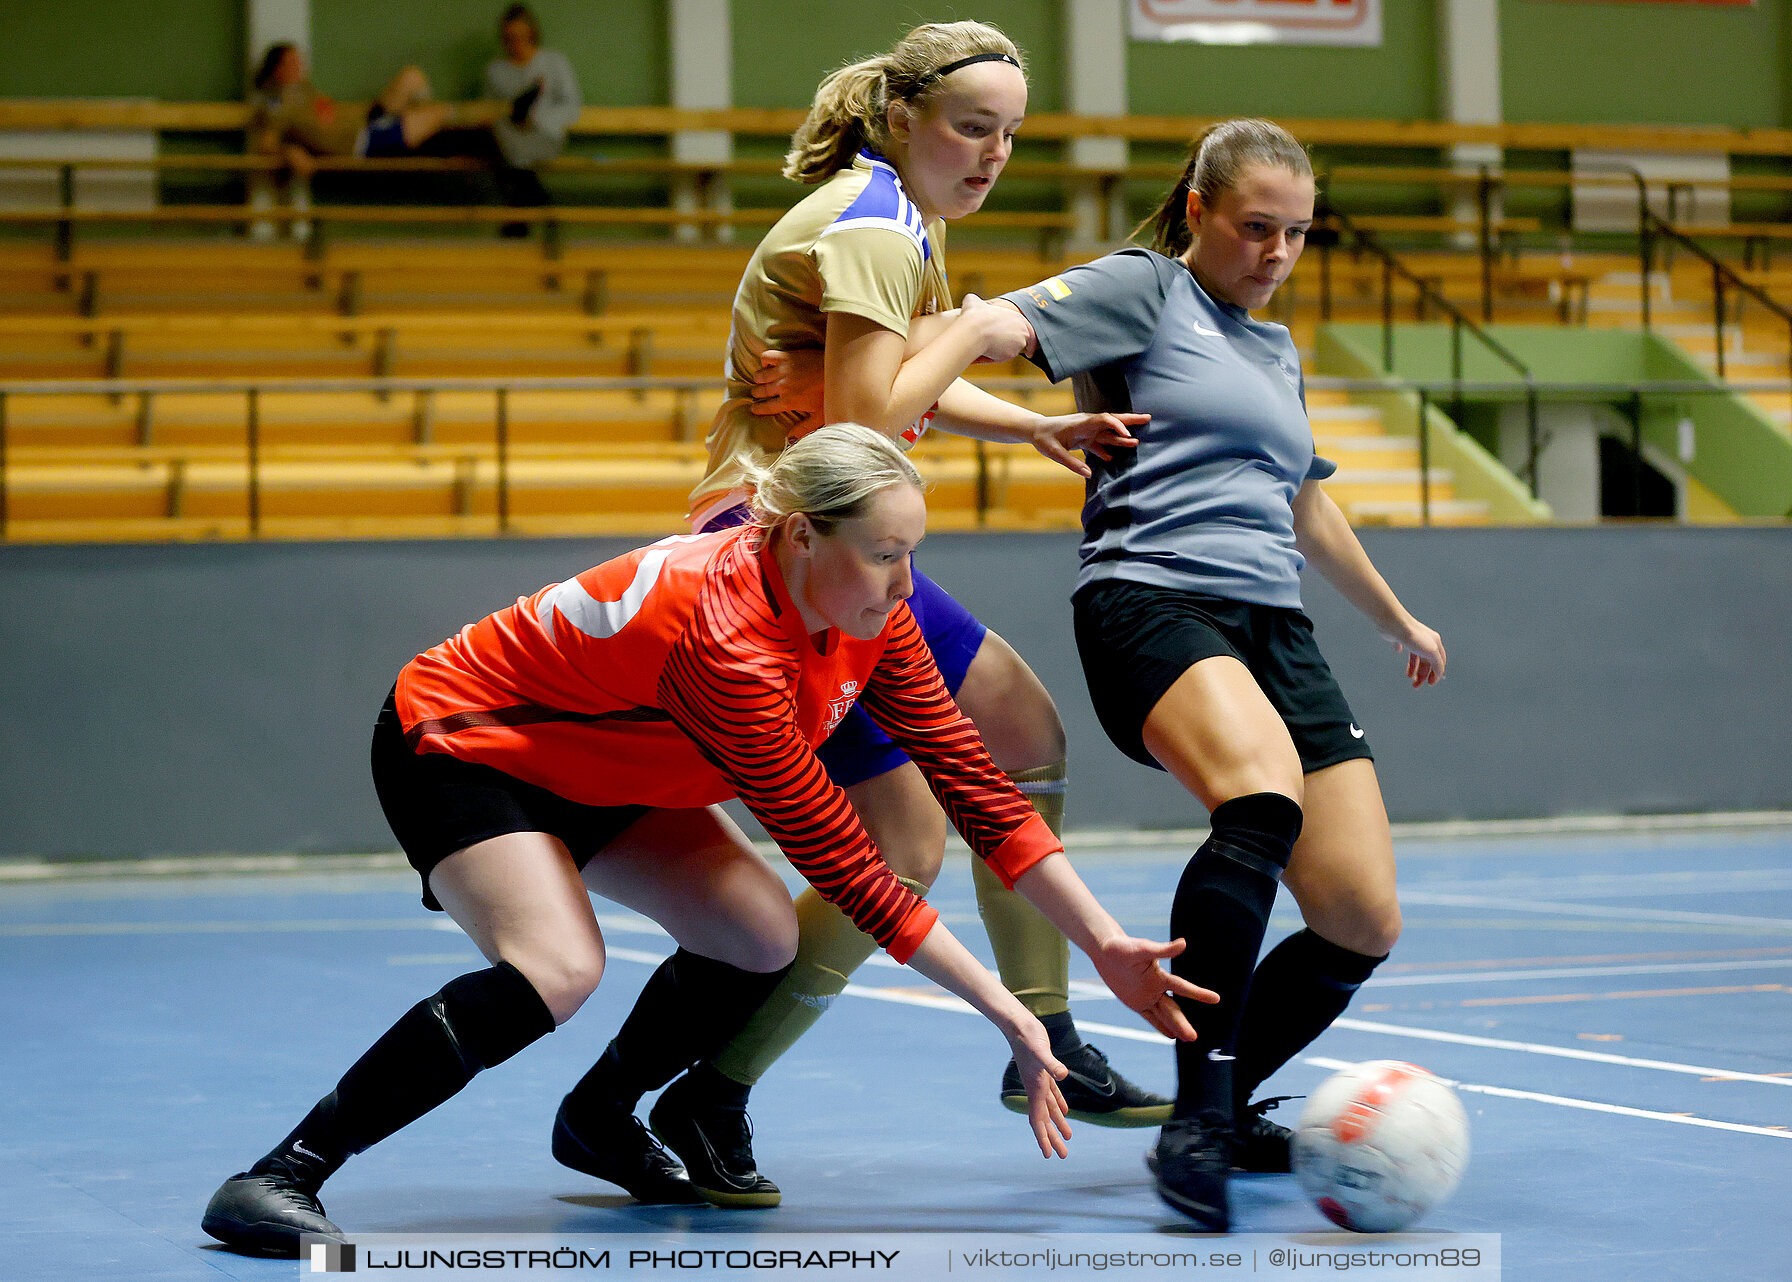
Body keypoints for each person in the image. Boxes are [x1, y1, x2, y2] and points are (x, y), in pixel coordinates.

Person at [199, 424, 1213, 1257]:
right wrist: (1008, 1013)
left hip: (610, 766)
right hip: (469, 742)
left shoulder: (869, 615)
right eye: (885, 553)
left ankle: (600, 1116)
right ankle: (282, 1171)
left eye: (915, 554)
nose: (906, 585)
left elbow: (978, 788)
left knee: (757, 935)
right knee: (558, 966)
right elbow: (849, 866)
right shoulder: (725, 640)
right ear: (803, 537)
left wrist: (1104, 941)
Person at [604, 20, 1159, 1209]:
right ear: (901, 118)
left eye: (1011, 133)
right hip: (778, 555)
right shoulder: (874, 224)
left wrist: (1029, 423)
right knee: (906, 844)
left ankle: (1047, 1032)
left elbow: (886, 375)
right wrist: (974, 325)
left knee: (1023, 731)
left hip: (821, 539)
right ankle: (710, 1088)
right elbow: (864, 422)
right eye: (972, 126)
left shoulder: (894, 218)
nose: (994, 151)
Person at [993, 119, 1448, 1229]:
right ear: (1197, 211)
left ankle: (1229, 1094)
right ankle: (1196, 1120)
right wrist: (896, 360)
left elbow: (1303, 496)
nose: (1278, 250)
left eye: (1297, 233)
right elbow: (988, 329)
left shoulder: (1274, 346)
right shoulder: (1143, 290)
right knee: (1258, 803)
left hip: (1273, 625)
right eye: (1257, 227)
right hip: (1149, 599)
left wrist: (1395, 616)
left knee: (1360, 917)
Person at [249, 42, 457, 178]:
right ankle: (450, 140)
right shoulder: (277, 105)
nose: (299, 66)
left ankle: (427, 131)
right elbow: (265, 143)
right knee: (440, 112)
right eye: (292, 62)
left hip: (367, 118)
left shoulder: (305, 90)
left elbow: (329, 112)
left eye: (299, 60)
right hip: (360, 142)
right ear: (277, 69)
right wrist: (290, 152)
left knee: (413, 76)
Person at [482, 4, 582, 211]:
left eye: (522, 36)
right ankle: (537, 200)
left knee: (512, 163)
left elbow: (572, 105)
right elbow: (488, 111)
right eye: (510, 38)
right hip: (507, 140)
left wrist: (535, 120)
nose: (517, 43)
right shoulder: (495, 71)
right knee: (499, 133)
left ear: (532, 34)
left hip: (544, 137)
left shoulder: (555, 63)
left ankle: (520, 213)